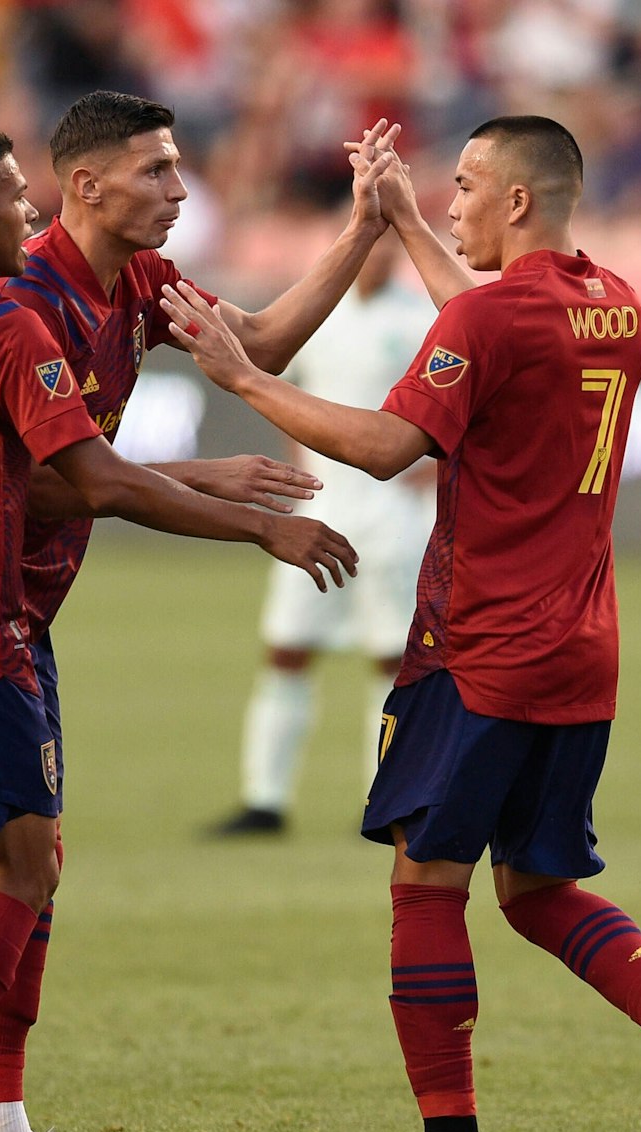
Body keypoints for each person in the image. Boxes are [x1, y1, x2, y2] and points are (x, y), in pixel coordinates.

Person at [0, 91, 400, 1132]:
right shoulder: (15, 297)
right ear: (86, 184)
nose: (180, 190)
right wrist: (219, 496)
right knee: (15, 861)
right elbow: (37, 480)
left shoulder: (137, 280)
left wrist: (361, 228)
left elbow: (259, 340)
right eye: (157, 170)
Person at [160, 115, 641, 1132]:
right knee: (534, 886)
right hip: (582, 648)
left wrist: (242, 379)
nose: (452, 201)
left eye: (468, 185)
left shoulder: (487, 318)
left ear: (518, 201)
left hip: (479, 646)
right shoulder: (614, 303)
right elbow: (487, 322)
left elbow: (390, 446)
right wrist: (394, 215)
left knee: (425, 886)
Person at [210, 239, 437, 837]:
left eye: (388, 245)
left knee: (393, 661)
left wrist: (433, 473)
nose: (377, 255)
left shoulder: (421, 320)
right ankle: (265, 801)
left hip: (394, 513)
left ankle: (385, 800)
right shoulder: (316, 315)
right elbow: (282, 391)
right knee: (287, 648)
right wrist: (302, 468)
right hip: (322, 504)